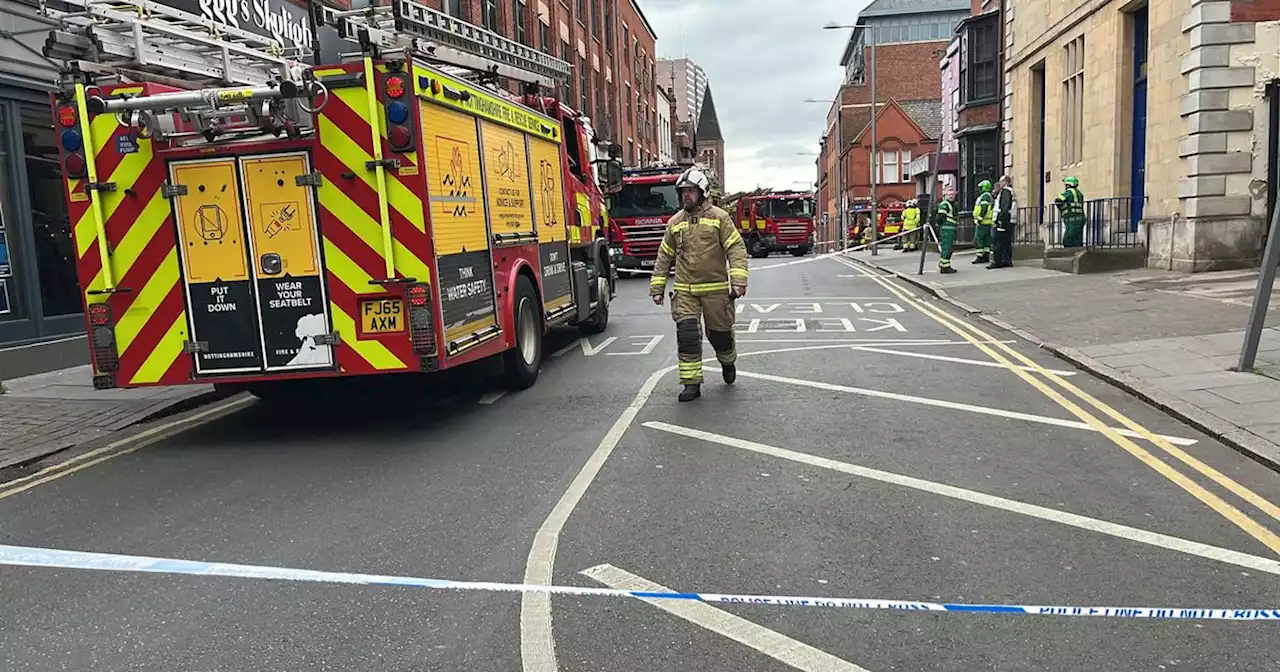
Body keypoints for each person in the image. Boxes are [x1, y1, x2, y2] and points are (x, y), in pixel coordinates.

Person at [650, 167, 749, 402]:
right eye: (683, 192)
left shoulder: (719, 218)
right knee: (687, 336)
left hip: (715, 290)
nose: (686, 196)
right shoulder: (675, 223)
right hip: (685, 291)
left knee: (720, 335)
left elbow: (735, 248)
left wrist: (739, 280)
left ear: (702, 192)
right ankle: (691, 385)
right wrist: (657, 287)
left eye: (691, 191)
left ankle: (728, 361)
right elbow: (664, 255)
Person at [989, 175, 1018, 269]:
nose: (999, 183)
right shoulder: (1008, 191)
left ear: (1005, 182)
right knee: (1006, 242)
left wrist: (1001, 220)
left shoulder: (1006, 191)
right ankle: (1006, 260)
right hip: (1009, 220)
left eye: (1000, 181)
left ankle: (997, 262)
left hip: (1004, 220)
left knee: (998, 242)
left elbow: (1004, 207)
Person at [1055, 176, 1085, 247]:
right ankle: (1078, 251)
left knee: (1068, 238)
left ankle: (1068, 252)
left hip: (1071, 218)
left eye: (1066, 185)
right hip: (1080, 218)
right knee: (1078, 238)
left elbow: (1058, 199)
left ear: (1068, 185)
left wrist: (1061, 208)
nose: (1065, 186)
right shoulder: (1079, 193)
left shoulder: (1069, 192)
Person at [971, 180, 994, 264]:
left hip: (983, 222)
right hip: (988, 222)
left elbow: (984, 208)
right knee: (987, 240)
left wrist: (980, 218)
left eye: (980, 187)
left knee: (978, 239)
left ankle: (980, 256)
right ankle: (986, 255)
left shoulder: (984, 196)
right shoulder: (989, 196)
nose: (979, 189)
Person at [936, 189, 958, 274]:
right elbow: (940, 217)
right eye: (949, 194)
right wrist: (940, 226)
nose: (952, 196)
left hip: (950, 229)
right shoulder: (945, 204)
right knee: (947, 248)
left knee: (948, 248)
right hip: (947, 230)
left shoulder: (952, 204)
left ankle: (943, 265)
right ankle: (945, 267)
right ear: (945, 195)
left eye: (953, 194)